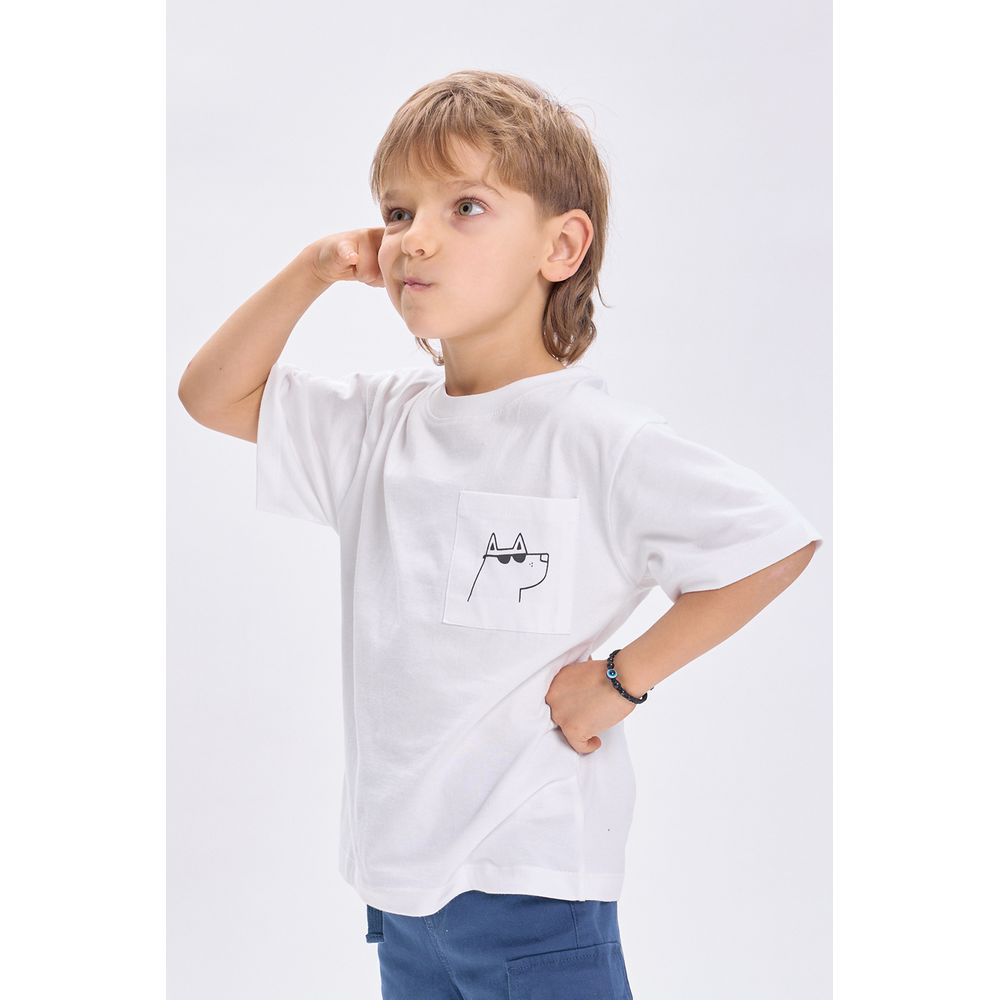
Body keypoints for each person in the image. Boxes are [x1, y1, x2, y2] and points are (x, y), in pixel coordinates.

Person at [178, 69, 823, 1000]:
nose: (415, 238)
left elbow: (771, 543)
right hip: (400, 891)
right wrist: (315, 267)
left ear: (561, 245)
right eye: (397, 213)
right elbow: (212, 395)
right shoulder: (375, 426)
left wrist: (621, 681)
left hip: (533, 888)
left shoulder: (595, 441)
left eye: (467, 206)